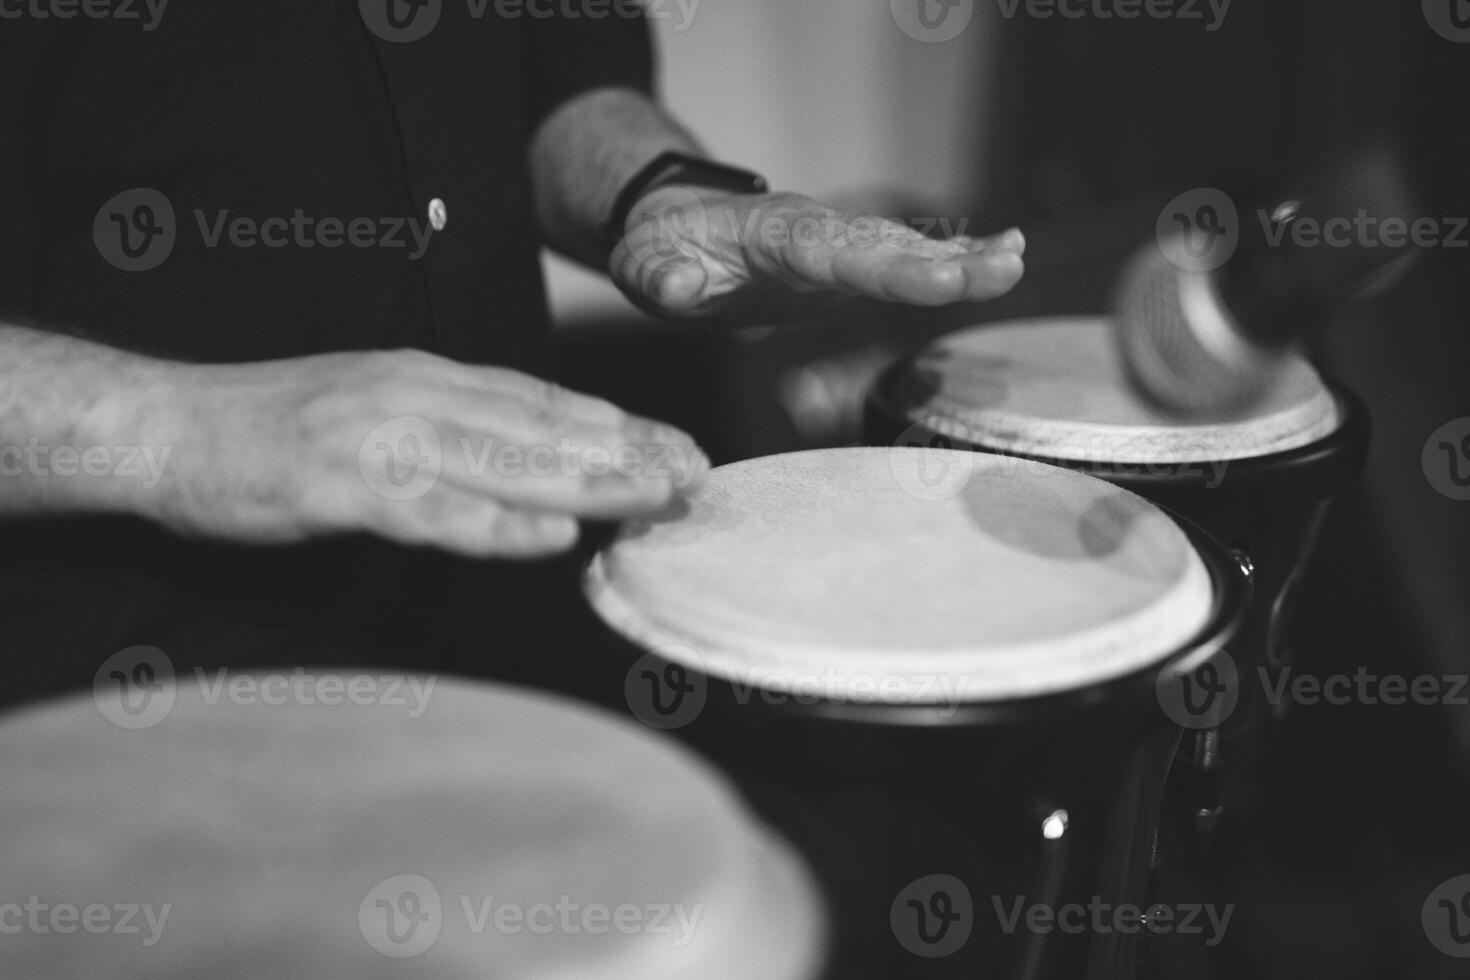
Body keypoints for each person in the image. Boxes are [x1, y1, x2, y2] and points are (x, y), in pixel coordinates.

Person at [0, 2, 1025, 707]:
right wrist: (182, 429)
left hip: (503, 596)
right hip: (105, 682)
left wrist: (660, 191)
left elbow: (557, 77)